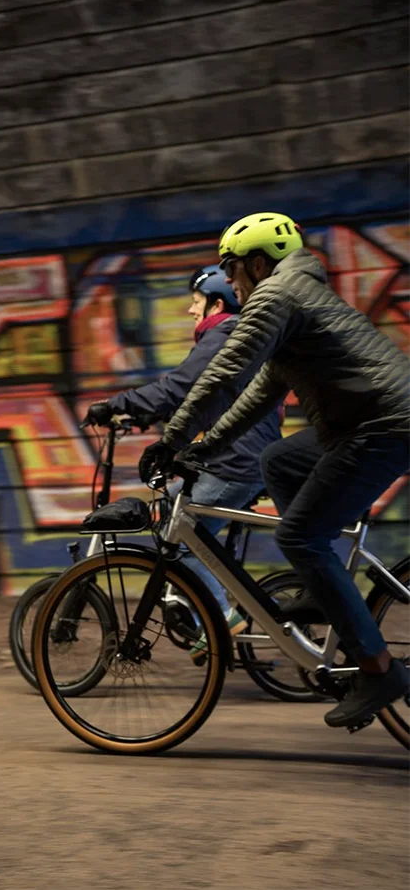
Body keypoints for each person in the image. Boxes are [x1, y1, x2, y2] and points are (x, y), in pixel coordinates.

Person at [139, 211, 410, 727]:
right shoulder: (295, 297)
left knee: (301, 537)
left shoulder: (276, 295)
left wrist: (171, 439)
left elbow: (224, 374)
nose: (229, 280)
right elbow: (260, 393)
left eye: (231, 268)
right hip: (368, 423)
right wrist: (205, 443)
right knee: (280, 460)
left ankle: (378, 669)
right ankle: (322, 585)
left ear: (258, 263)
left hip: (384, 425)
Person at [85, 266, 283, 650]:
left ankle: (222, 617)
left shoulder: (223, 333)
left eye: (195, 302)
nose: (192, 312)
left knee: (181, 538)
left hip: (234, 462)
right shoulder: (236, 336)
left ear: (216, 303)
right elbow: (206, 398)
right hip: (241, 458)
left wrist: (114, 404)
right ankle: (195, 602)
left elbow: (180, 385)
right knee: (174, 505)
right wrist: (146, 415)